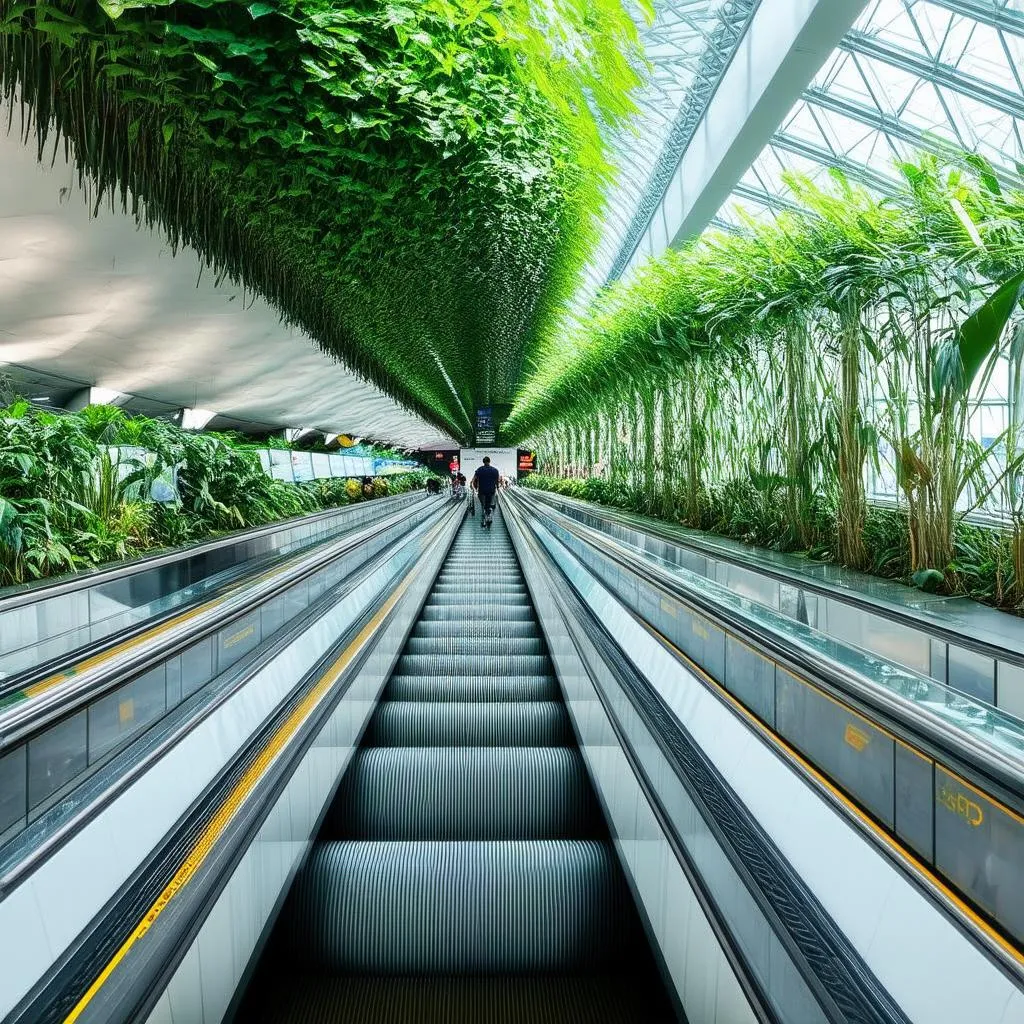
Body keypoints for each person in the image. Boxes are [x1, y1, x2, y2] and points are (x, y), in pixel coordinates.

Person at [472, 456, 500, 529]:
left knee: (483, 505)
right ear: (489, 461)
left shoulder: (479, 470)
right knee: (488, 504)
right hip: (491, 490)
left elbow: (474, 479)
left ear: (483, 462)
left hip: (482, 490)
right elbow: (497, 482)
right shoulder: (495, 470)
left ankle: (484, 519)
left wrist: (474, 488)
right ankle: (489, 516)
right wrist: (498, 488)